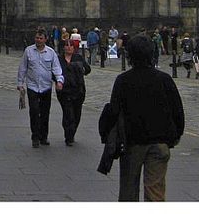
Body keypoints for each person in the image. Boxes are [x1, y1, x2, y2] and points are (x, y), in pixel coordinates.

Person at [109, 35, 184, 201]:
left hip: (132, 144)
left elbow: (113, 112)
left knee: (128, 193)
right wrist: (176, 135)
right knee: (155, 193)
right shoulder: (164, 79)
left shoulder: (123, 81)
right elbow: (177, 110)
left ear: (129, 56)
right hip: (159, 143)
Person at [17, 28, 64, 147]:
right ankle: (35, 137)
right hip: (32, 86)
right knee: (34, 111)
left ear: (45, 39)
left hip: (46, 86)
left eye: (40, 38)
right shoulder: (28, 51)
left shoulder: (51, 52)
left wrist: (59, 80)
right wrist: (20, 83)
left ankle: (44, 136)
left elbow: (56, 68)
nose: (38, 40)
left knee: (44, 112)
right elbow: (23, 68)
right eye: (37, 38)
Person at [57, 38, 91, 145]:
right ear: (63, 47)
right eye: (66, 45)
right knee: (68, 113)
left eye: (71, 45)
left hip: (78, 90)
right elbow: (54, 72)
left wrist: (82, 70)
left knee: (77, 114)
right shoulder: (59, 59)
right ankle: (69, 136)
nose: (69, 47)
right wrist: (57, 81)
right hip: (64, 91)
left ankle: (72, 132)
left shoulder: (78, 58)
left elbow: (88, 69)